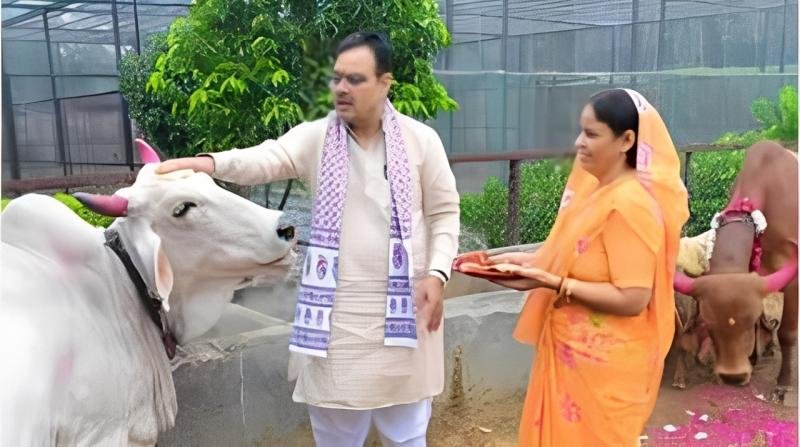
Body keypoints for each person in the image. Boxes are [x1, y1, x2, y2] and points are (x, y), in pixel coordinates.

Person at [156, 31, 460, 446]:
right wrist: (207, 164)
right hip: (337, 322)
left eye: (355, 79)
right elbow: (266, 158)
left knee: (406, 435)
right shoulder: (316, 137)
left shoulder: (420, 141)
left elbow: (444, 212)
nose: (342, 88)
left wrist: (437, 274)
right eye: (337, 78)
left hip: (405, 315)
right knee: (337, 436)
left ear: (385, 83)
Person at [488, 89, 688, 446]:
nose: (579, 143)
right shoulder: (595, 193)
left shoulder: (630, 205)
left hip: (604, 371)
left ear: (627, 140)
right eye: (581, 131)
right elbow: (578, 260)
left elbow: (634, 297)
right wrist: (527, 264)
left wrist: (555, 283)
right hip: (571, 359)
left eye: (592, 134)